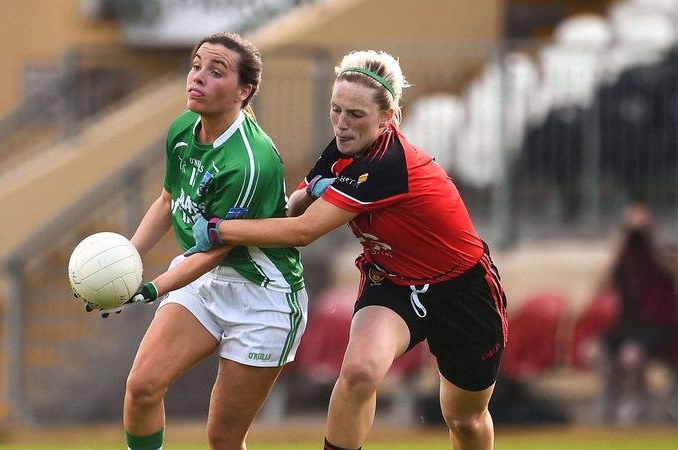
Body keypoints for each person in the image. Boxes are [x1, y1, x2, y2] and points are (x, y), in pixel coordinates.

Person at [187, 50, 508, 450]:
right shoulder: (342, 147)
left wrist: (221, 229)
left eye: (355, 114)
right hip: (391, 279)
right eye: (335, 110)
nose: (341, 124)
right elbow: (295, 207)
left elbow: (304, 231)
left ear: (386, 118)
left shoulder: (390, 164)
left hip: (461, 288)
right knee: (359, 372)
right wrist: (271, 201)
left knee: (464, 418)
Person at [84, 32, 307, 450]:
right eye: (196, 65)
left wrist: (147, 289)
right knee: (143, 387)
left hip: (262, 299)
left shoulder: (249, 161)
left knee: (223, 439)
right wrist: (124, 262)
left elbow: (217, 247)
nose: (197, 77)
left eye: (215, 71)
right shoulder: (184, 128)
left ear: (245, 91)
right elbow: (169, 200)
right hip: (204, 281)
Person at [593, 203, 678, 423]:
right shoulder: (624, 258)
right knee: (594, 351)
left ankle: (638, 400)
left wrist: (650, 240)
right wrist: (621, 243)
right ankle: (611, 394)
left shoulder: (661, 255)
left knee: (630, 355)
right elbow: (600, 287)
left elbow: (672, 272)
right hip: (630, 326)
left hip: (659, 327)